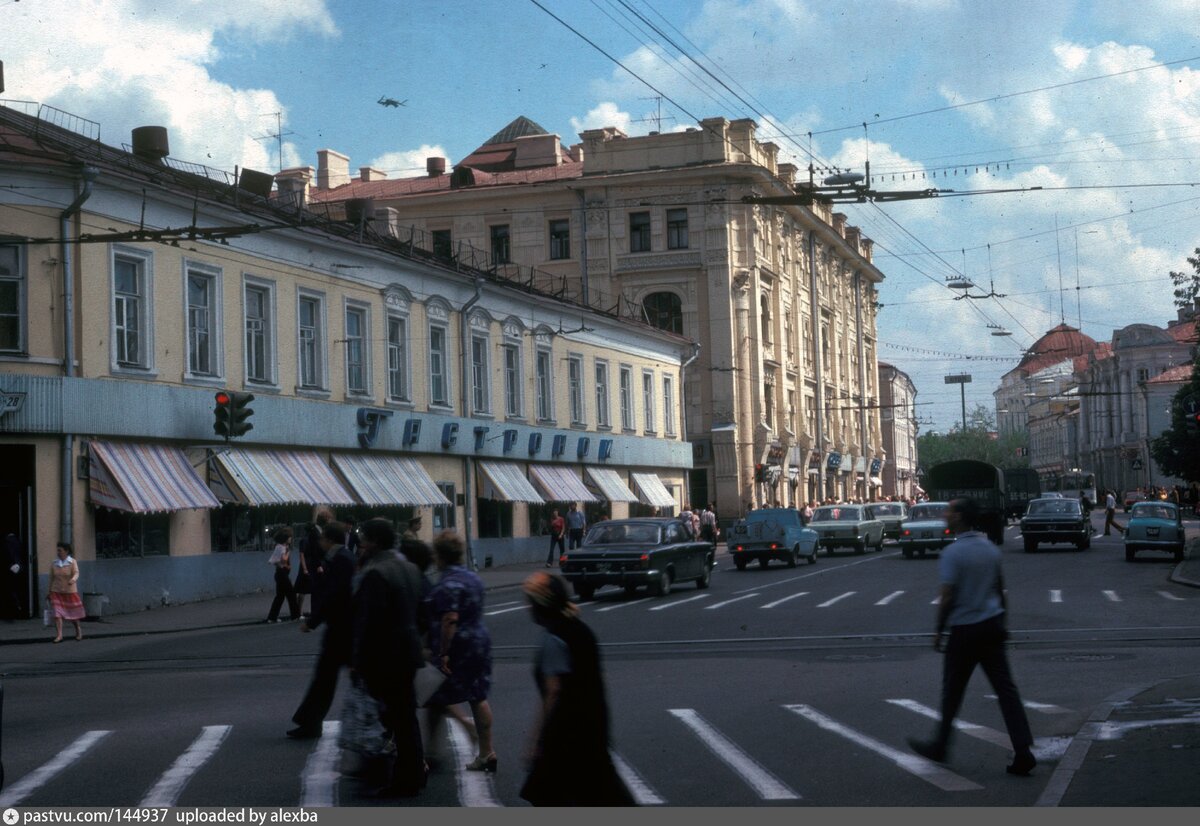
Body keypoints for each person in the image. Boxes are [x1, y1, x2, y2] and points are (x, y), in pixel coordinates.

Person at [907, 498, 1036, 777]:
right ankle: (1023, 749)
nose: (945, 515)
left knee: (952, 691)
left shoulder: (953, 553)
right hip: (991, 627)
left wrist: (939, 629)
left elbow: (948, 596)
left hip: (964, 631)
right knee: (1006, 691)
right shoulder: (990, 549)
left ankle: (940, 745)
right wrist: (1002, 622)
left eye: (950, 511)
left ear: (960, 517)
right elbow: (1000, 589)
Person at [519, 572, 634, 806]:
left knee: (552, 794)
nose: (527, 608)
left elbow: (553, 692)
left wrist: (535, 740)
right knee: (600, 793)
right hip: (592, 723)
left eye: (530, 603)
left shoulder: (553, 639)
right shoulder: (580, 629)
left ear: (540, 606)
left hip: (565, 733)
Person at [350, 517, 427, 797]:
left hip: (384, 657)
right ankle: (413, 773)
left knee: (389, 717)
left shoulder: (376, 573)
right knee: (406, 718)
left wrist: (358, 661)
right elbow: (422, 613)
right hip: (408, 652)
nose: (360, 543)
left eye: (363, 538)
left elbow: (369, 623)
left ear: (373, 542)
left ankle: (398, 777)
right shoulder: (408, 567)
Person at [424, 531, 496, 774]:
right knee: (478, 696)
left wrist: (443, 652)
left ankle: (431, 752)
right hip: (479, 641)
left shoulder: (447, 583)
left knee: (432, 695)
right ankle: (487, 752)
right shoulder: (472, 578)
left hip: (458, 648)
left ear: (440, 556)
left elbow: (450, 619)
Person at [288, 521, 356, 739]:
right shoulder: (342, 558)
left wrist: (313, 621)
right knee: (328, 678)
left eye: (323, 539)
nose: (320, 542)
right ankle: (310, 721)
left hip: (341, 631)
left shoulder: (341, 560)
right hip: (343, 630)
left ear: (329, 540)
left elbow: (334, 596)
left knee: (326, 678)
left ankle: (311, 722)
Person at [296, 507, 333, 618]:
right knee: (312, 588)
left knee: (315, 588)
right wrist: (319, 565)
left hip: (314, 564)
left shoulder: (318, 531)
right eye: (329, 520)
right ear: (325, 520)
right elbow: (315, 550)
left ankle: (314, 610)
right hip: (314, 564)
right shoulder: (315, 533)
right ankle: (311, 611)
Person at [47, 542, 85, 643]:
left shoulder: (72, 562)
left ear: (66, 551)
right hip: (56, 591)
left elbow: (76, 573)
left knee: (73, 614)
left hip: (69, 592)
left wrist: (73, 580)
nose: (58, 552)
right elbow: (51, 578)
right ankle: (59, 635)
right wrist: (49, 591)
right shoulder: (54, 563)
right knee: (57, 613)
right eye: (57, 550)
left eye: (60, 550)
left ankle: (78, 629)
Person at [266, 527, 300, 623]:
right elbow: (282, 559)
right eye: (289, 537)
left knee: (280, 596)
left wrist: (283, 565)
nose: (291, 539)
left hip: (280, 574)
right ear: (285, 538)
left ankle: (272, 617)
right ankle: (295, 615)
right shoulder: (282, 547)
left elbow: (274, 560)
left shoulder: (279, 547)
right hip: (282, 574)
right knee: (291, 594)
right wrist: (285, 564)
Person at [2, 531, 23, 620]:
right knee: (16, 589)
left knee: (9, 590)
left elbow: (7, 555)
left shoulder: (6, 542)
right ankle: (18, 608)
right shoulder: (18, 542)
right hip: (18, 567)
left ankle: (12, 610)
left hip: (9, 568)